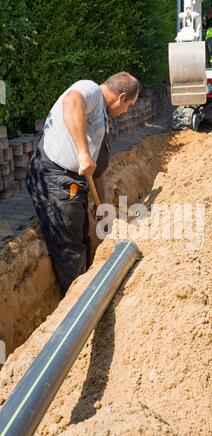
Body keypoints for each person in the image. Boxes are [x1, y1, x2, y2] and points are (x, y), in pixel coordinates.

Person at [26, 72, 140, 294]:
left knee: (82, 240)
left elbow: (97, 171)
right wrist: (82, 153)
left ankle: (89, 286)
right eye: (130, 105)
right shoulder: (90, 90)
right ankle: (76, 301)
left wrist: (102, 205)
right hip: (53, 179)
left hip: (73, 183)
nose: (128, 111)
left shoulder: (101, 118)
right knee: (69, 249)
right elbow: (72, 102)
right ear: (121, 97)